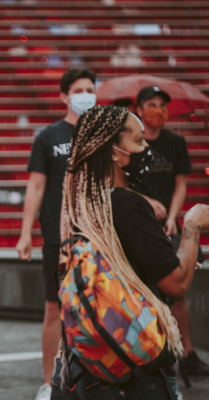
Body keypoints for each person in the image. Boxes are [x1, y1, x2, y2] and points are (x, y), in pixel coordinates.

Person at [54, 104, 209, 399]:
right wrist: (192, 225)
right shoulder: (128, 204)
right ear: (113, 151)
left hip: (89, 363)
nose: (145, 148)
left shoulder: (83, 205)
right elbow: (175, 284)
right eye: (138, 141)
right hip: (136, 367)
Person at [15, 67, 97, 400]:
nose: (85, 95)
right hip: (57, 237)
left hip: (97, 236)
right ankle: (49, 381)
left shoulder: (104, 134)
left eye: (90, 88)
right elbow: (35, 187)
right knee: (54, 309)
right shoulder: (49, 137)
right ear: (64, 96)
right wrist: (25, 233)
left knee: (97, 307)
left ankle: (96, 377)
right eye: (79, 90)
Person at [133, 85, 209, 376]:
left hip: (170, 224)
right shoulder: (131, 141)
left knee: (179, 291)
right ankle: (149, 349)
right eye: (152, 104)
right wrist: (148, 202)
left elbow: (181, 183)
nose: (159, 111)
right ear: (139, 109)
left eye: (163, 105)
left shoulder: (175, 141)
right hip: (140, 223)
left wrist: (173, 215)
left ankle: (186, 353)